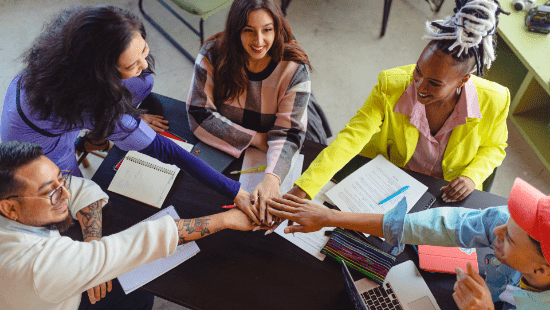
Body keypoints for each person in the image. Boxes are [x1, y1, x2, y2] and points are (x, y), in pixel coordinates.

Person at [0, 5, 257, 221]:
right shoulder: (93, 104)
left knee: (142, 81)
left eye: (143, 50)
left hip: (46, 106)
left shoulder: (72, 42)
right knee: (77, 199)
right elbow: (166, 150)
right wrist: (236, 192)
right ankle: (94, 141)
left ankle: (101, 135)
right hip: (40, 146)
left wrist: (126, 119)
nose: (144, 64)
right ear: (102, 76)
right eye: (131, 64)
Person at [288, 0, 510, 203]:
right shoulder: (391, 85)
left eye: (434, 83)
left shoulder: (494, 101)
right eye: (418, 71)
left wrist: (472, 176)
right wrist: (303, 189)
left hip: (445, 194)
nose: (420, 87)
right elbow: (350, 140)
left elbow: (494, 147)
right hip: (389, 182)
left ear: (463, 80)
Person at [0, 141, 260, 310]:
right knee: (139, 295)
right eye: (51, 193)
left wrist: (93, 244)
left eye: (61, 179)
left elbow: (82, 188)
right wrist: (226, 219)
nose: (65, 195)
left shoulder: (12, 205)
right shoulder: (37, 265)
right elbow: (142, 241)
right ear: (9, 207)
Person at [268, 178, 550, 310]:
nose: (495, 230)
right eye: (506, 221)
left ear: (540, 271)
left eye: (508, 238)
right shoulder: (509, 225)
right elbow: (441, 225)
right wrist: (331, 217)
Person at [186, 0, 331, 225]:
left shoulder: (294, 68)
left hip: (276, 139)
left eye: (267, 30)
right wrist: (255, 138)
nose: (259, 42)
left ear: (277, 27)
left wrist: (272, 179)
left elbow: (289, 133)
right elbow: (198, 113)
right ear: (235, 30)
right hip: (242, 146)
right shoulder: (213, 53)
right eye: (248, 31)